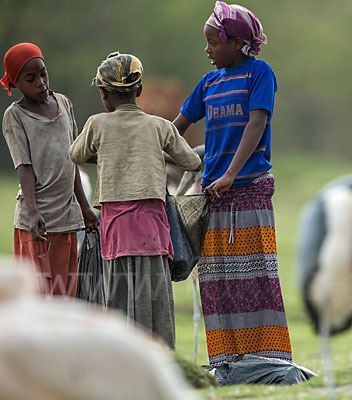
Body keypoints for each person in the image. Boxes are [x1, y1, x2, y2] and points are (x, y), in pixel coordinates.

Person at [172, 1, 293, 367]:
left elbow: (256, 126)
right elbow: (176, 129)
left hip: (248, 192)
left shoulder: (260, 73)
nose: (207, 49)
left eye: (213, 42)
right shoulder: (209, 82)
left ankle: (268, 360)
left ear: (238, 43)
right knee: (218, 283)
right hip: (214, 198)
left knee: (255, 277)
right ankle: (225, 360)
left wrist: (230, 174)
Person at [69, 52, 202, 348]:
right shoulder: (159, 127)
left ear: (103, 94)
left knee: (118, 294)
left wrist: (107, 155)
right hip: (153, 229)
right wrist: (155, 153)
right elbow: (192, 162)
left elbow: (75, 155)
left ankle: (123, 355)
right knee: (155, 295)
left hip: (115, 229)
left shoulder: (97, 124)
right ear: (139, 91)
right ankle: (161, 356)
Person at [1, 42, 99, 297]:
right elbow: (24, 165)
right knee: (37, 298)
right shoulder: (15, 116)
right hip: (38, 223)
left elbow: (73, 160)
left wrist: (85, 208)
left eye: (43, 74)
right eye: (30, 79)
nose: (40, 84)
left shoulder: (64, 104)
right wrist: (33, 213)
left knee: (65, 296)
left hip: (66, 217)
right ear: (16, 83)